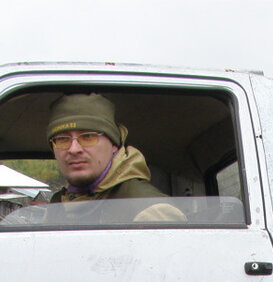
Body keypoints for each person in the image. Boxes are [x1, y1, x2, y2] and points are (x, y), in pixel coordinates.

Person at [46, 94, 184, 223]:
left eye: (88, 137)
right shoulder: (58, 205)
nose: (74, 149)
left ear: (114, 144)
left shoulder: (150, 212)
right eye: (62, 139)